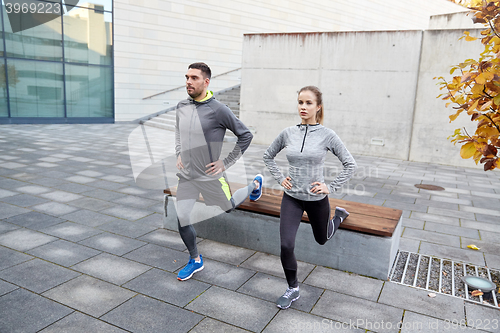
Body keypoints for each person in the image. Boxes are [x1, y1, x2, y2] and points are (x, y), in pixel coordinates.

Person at [263, 85, 357, 309]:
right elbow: (268, 156)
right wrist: (280, 178)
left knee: (322, 239)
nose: (303, 107)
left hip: (316, 199)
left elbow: (350, 164)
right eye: (300, 102)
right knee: (286, 245)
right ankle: (292, 288)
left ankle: (339, 217)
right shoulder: (288, 133)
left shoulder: (327, 135)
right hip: (292, 197)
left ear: (318, 107)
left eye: (308, 103)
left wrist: (330, 187)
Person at [175, 62, 263, 281]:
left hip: (210, 175)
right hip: (187, 175)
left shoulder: (218, 110)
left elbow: (246, 135)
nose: (188, 81)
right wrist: (179, 152)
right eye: (187, 77)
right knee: (182, 216)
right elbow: (178, 132)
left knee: (229, 207)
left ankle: (254, 186)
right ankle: (195, 259)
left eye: (194, 78)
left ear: (206, 82)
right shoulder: (181, 106)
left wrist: (225, 162)